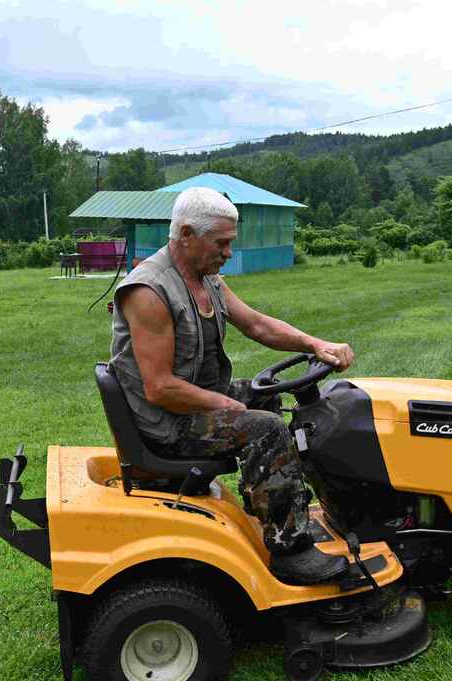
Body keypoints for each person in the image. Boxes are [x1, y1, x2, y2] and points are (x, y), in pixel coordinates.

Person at [109, 186, 355, 585]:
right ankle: (291, 551)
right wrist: (228, 406)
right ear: (187, 235)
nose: (227, 252)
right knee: (267, 428)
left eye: (230, 243)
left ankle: (273, 502)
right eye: (221, 243)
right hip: (163, 423)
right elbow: (159, 389)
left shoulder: (207, 280)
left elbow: (255, 323)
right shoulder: (149, 291)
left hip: (185, 404)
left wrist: (315, 344)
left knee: (267, 397)